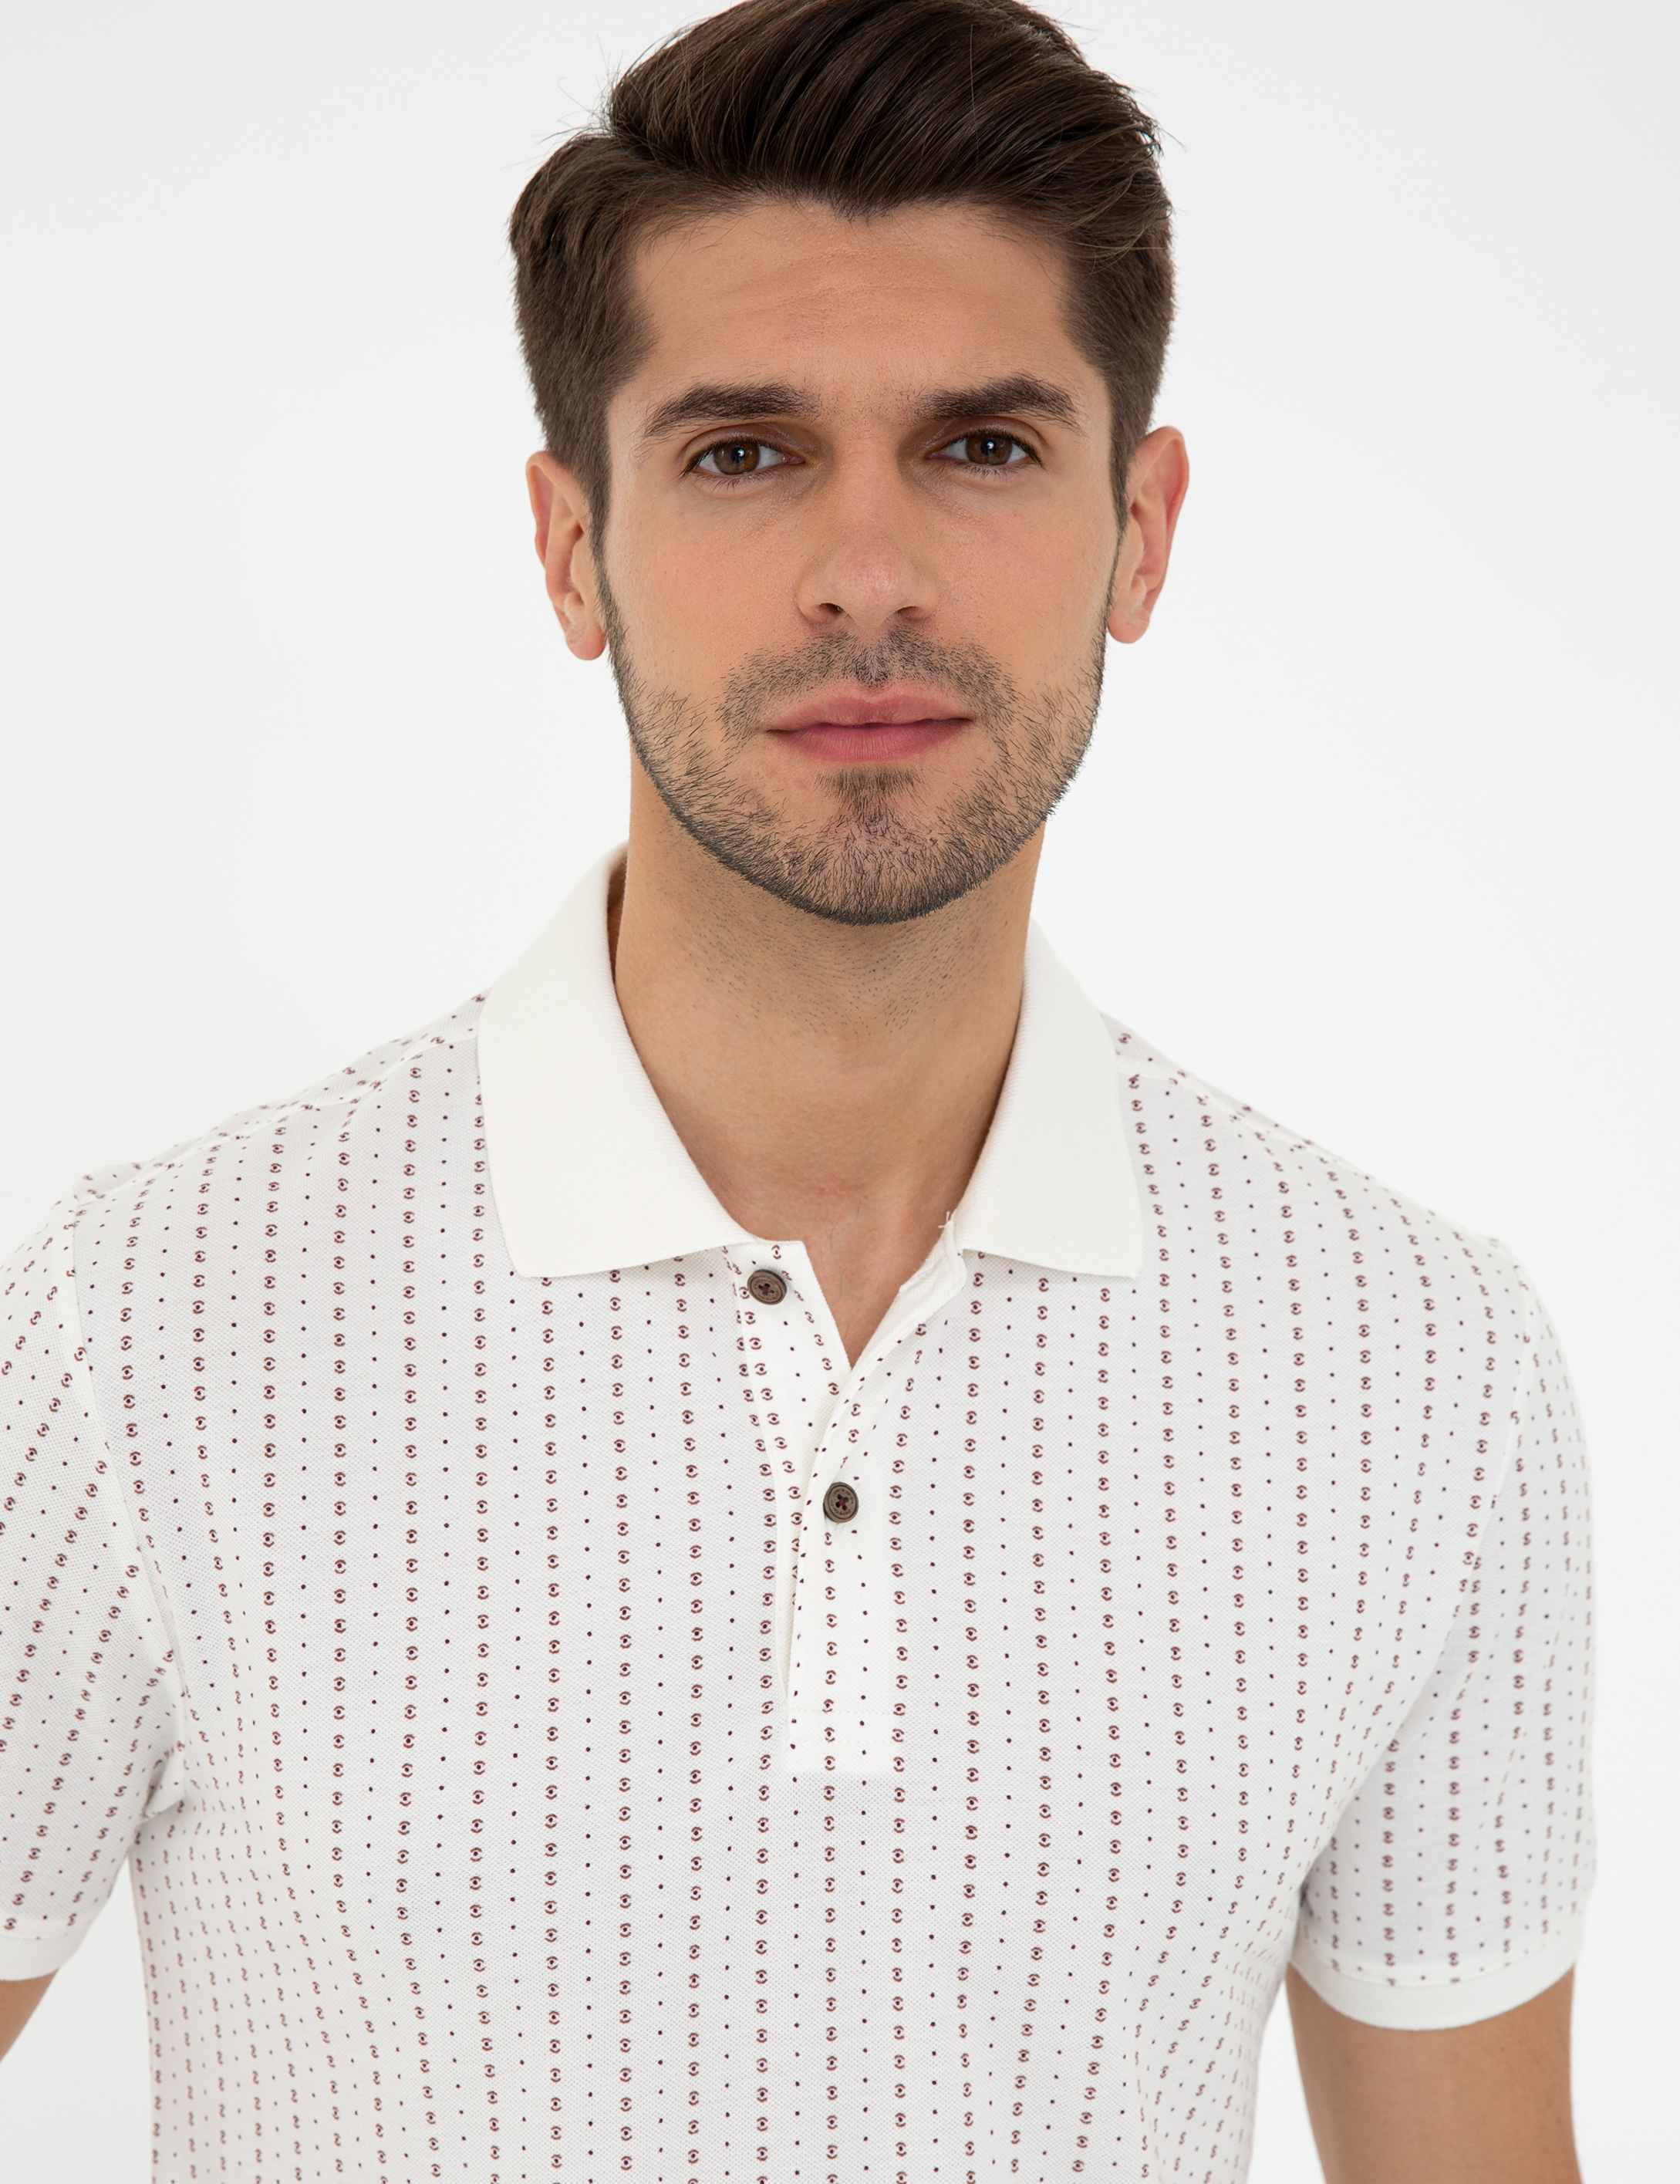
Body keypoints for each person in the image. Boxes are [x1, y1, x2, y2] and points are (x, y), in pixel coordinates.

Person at [0, 1, 1593, 2177]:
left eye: (982, 446)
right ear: (572, 548)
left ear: (1141, 530)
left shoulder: (1419, 1370)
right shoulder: (145, 1322)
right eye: (744, 453)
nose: (869, 574)